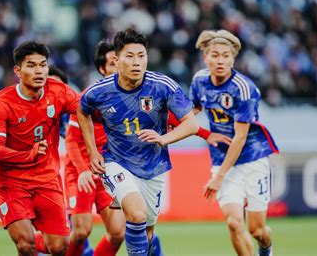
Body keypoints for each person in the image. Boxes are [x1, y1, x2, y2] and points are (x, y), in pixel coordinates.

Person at [77, 28, 199, 256]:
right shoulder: (99, 91)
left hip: (154, 167)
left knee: (147, 231)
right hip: (116, 162)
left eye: (141, 56)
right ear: (117, 58)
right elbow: (81, 110)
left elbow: (191, 124)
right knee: (136, 214)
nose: (137, 62)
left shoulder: (163, 85)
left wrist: (164, 138)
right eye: (130, 56)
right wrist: (93, 151)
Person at [190, 29, 278, 256]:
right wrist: (172, 124)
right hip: (222, 159)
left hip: (253, 159)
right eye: (215, 55)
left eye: (226, 56)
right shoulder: (199, 81)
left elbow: (239, 138)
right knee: (233, 223)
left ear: (233, 58)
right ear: (205, 57)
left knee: (257, 230)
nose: (220, 60)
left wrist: (218, 178)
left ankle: (266, 248)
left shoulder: (242, 88)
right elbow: (194, 109)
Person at [0, 41, 79, 256]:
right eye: (31, 65)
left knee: (60, 247)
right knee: (26, 244)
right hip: (11, 181)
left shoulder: (57, 91)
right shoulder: (2, 102)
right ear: (18, 71)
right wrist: (28, 154)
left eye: (43, 65)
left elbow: (86, 108)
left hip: (46, 178)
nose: (39, 71)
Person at [64, 40, 126, 256]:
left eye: (121, 61)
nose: (118, 67)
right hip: (81, 171)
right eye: (112, 63)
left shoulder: (131, 99)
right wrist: (82, 170)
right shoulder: (87, 98)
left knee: (118, 233)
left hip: (108, 173)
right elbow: (71, 141)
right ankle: (40, 241)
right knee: (81, 231)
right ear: (102, 69)